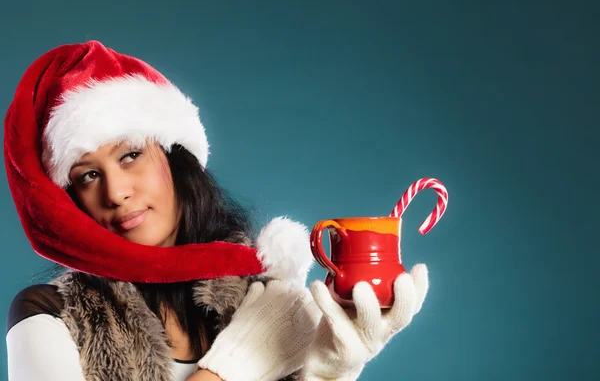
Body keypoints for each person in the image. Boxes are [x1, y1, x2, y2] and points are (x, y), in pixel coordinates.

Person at [4, 40, 429, 381]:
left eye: (130, 155)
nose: (115, 192)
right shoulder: (50, 315)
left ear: (174, 157)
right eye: (88, 176)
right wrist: (236, 366)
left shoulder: (263, 296)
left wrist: (329, 371)